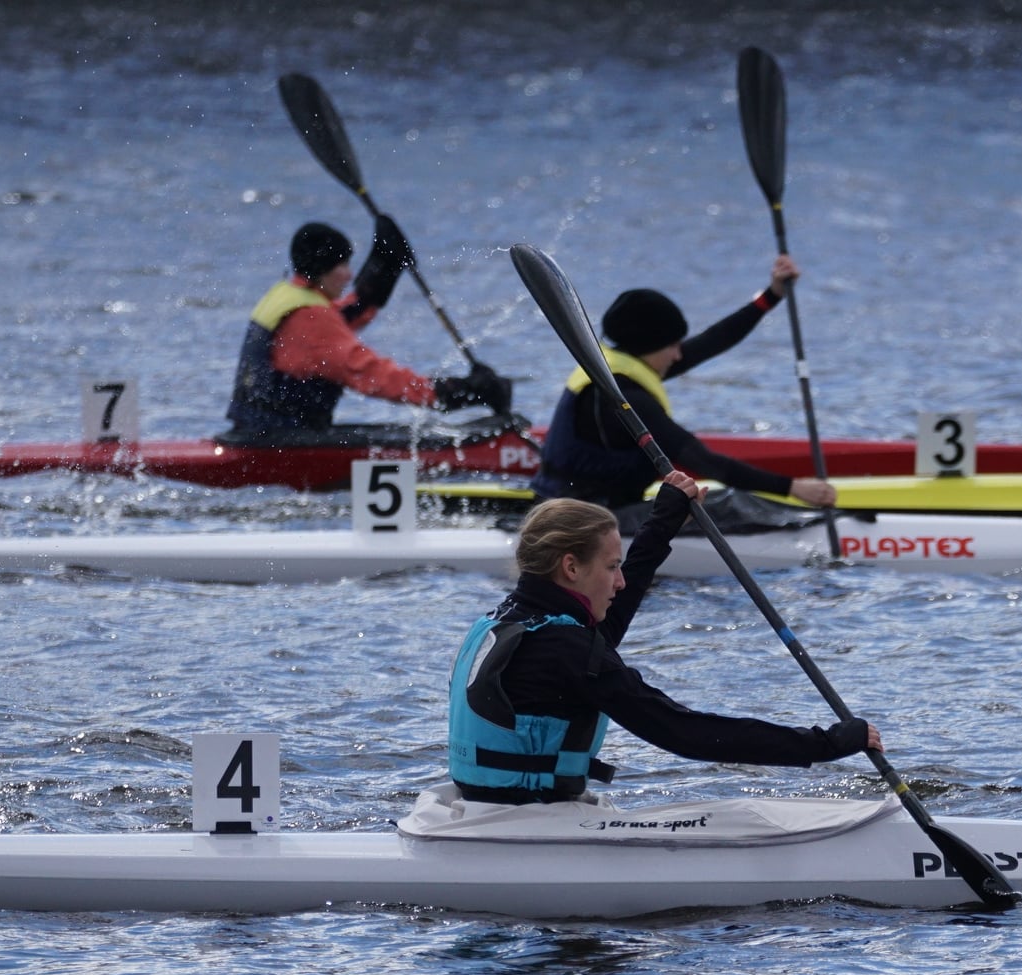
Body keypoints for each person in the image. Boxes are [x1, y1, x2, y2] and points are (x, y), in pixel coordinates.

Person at [448, 470, 881, 805]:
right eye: (612, 567)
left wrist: (664, 522)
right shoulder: (565, 649)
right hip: (528, 819)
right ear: (571, 567)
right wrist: (826, 743)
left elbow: (604, 632)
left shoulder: (508, 619)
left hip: (489, 805)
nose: (620, 582)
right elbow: (683, 732)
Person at [530, 256, 837, 523]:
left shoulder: (616, 363)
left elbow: (713, 341)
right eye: (674, 346)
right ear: (650, 346)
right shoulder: (625, 400)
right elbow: (704, 462)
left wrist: (770, 296)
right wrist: (793, 488)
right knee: (726, 505)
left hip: (571, 508)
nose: (680, 355)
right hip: (587, 524)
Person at [221, 220, 513, 446]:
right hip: (284, 442)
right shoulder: (310, 317)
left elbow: (344, 316)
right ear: (322, 270)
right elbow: (373, 376)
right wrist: (455, 392)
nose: (349, 274)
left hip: (260, 430)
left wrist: (385, 266)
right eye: (342, 265)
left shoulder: (288, 294)